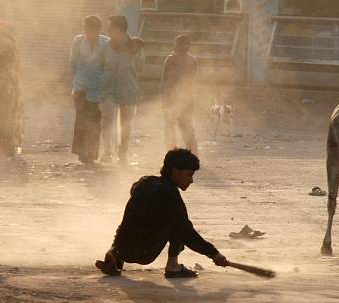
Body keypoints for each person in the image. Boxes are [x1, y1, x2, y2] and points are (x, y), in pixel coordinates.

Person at [95, 148, 229, 278]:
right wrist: (213, 254)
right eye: (189, 174)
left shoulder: (144, 182)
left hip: (121, 247)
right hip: (144, 253)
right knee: (178, 223)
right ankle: (173, 266)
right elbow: (187, 233)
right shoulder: (170, 195)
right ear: (175, 171)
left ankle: (114, 254)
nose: (191, 180)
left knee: (137, 216)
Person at [99, 15, 145, 164]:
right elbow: (99, 67)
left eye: (110, 27)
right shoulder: (105, 46)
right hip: (108, 90)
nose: (108, 30)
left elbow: (141, 68)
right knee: (107, 121)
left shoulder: (135, 47)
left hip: (129, 90)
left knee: (126, 124)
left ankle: (122, 154)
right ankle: (107, 152)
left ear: (120, 30)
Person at [69, 15, 109, 164]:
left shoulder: (106, 43)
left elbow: (108, 64)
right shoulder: (78, 41)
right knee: (81, 119)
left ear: (98, 29)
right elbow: (73, 62)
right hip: (81, 87)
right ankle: (81, 151)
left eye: (92, 29)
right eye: (86, 28)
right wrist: (81, 77)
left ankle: (92, 152)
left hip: (98, 88)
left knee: (95, 120)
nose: (89, 32)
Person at [0, 23, 24, 156]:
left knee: (3, 116)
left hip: (4, 89)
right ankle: (8, 145)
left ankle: (6, 146)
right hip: (11, 88)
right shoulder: (12, 47)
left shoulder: (5, 48)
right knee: (10, 116)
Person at [160, 35, 199, 154]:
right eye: (177, 44)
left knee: (180, 125)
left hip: (182, 97)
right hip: (175, 97)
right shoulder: (173, 59)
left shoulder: (177, 59)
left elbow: (165, 80)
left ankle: (187, 152)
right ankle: (179, 152)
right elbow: (165, 79)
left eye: (180, 44)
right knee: (175, 125)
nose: (176, 47)